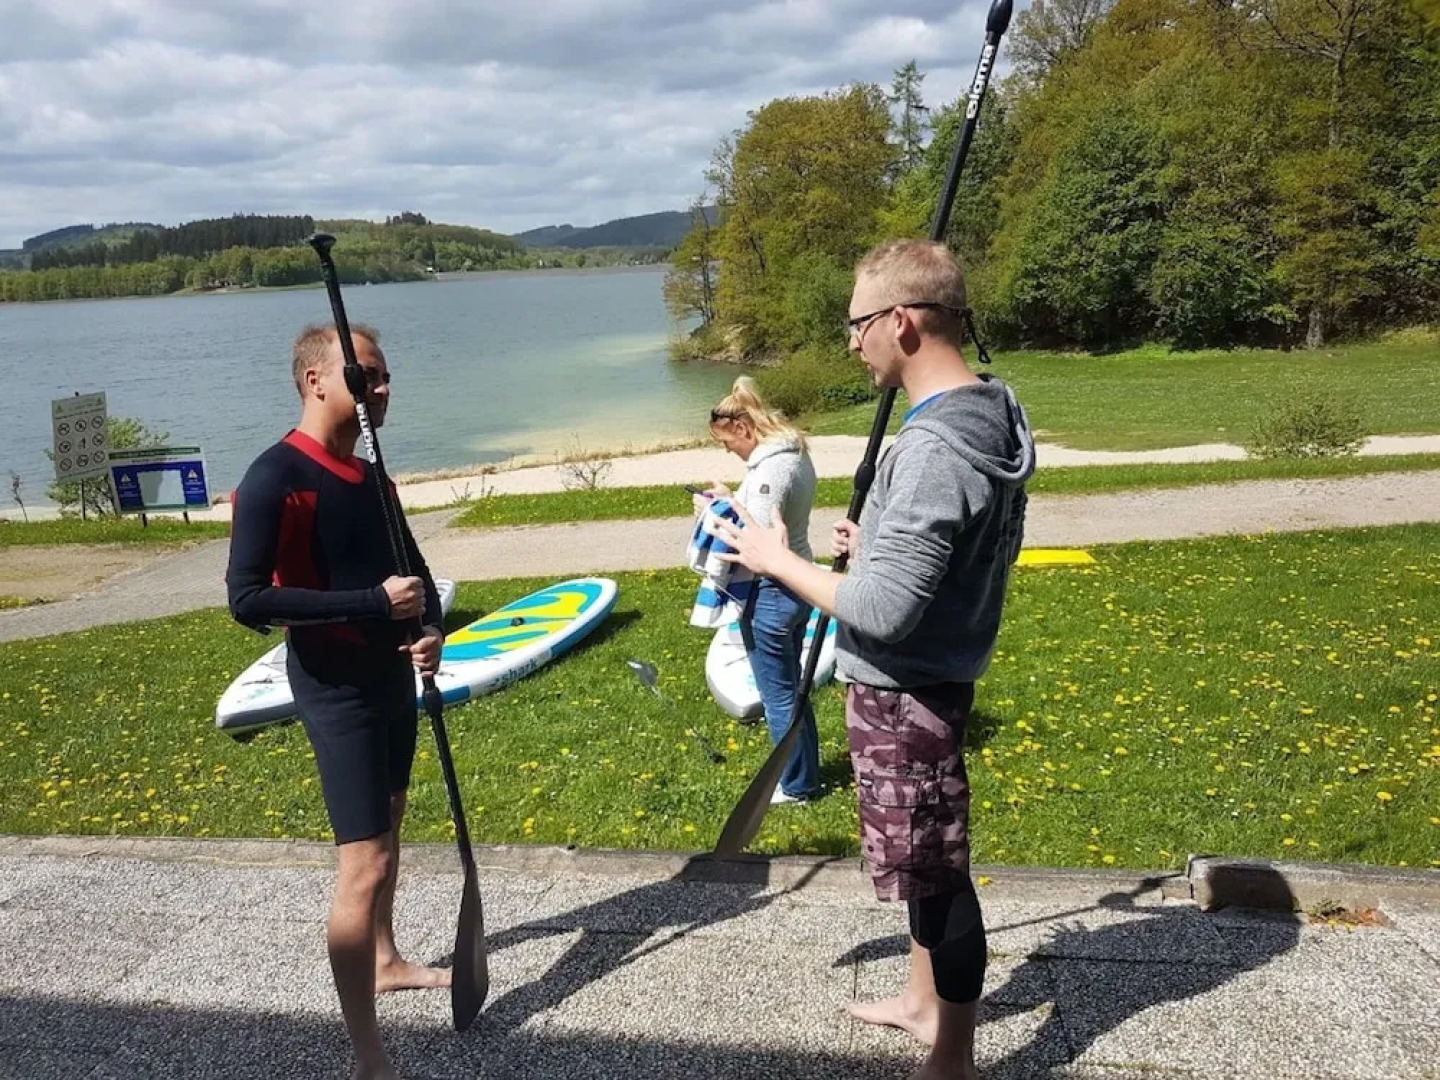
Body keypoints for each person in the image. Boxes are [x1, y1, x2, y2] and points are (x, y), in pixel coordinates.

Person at [714, 239, 1035, 1080]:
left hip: (907, 692)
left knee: (937, 880)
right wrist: (879, 537)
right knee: (926, 868)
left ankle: (952, 1060)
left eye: (857, 324)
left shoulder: (934, 448)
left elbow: (887, 611)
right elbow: (963, 548)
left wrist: (778, 560)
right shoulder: (988, 411)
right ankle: (923, 1003)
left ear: (901, 322)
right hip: (933, 672)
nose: (851, 341)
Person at [226, 323, 450, 1080]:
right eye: (366, 378)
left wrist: (430, 632)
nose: (380, 390)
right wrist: (370, 603)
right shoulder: (274, 477)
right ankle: (368, 1056)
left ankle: (385, 959)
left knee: (390, 830)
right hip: (336, 689)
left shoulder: (374, 477)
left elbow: (415, 574)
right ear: (316, 381)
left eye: (384, 378)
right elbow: (248, 599)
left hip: (391, 678)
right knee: (365, 863)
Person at [700, 376, 821, 803]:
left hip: (774, 589)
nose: (727, 450)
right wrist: (730, 496)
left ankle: (796, 785)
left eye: (726, 442)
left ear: (743, 429)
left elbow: (754, 532)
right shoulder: (794, 454)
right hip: (797, 580)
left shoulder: (772, 467)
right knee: (792, 686)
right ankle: (803, 772)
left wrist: (711, 513)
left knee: (779, 694)